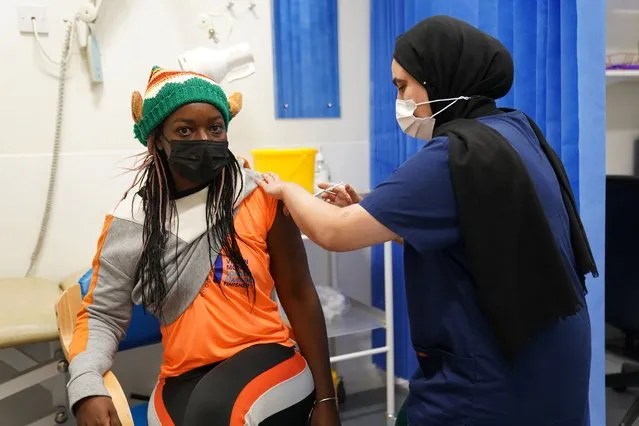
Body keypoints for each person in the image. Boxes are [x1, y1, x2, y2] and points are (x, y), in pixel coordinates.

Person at [256, 16, 598, 426]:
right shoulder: (512, 129)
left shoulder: (454, 155)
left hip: (491, 377)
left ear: (439, 77)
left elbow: (332, 233)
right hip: (554, 356)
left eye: (403, 87)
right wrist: (376, 210)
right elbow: (478, 230)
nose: (399, 101)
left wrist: (288, 191)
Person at [67, 66, 340, 426]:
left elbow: (299, 294)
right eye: (185, 129)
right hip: (181, 377)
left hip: (267, 357)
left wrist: (326, 398)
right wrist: (86, 385)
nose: (205, 139)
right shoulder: (132, 219)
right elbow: (102, 314)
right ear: (158, 139)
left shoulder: (259, 197)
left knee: (214, 414)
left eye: (215, 127)